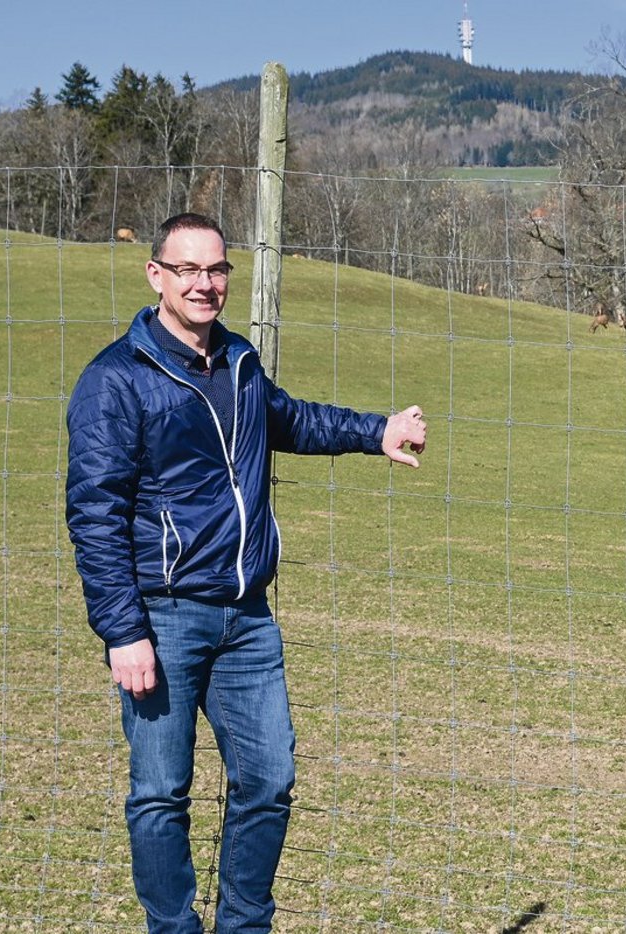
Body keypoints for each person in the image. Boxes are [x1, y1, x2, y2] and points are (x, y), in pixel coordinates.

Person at [65, 212, 428, 933]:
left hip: (247, 618)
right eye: (189, 270)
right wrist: (122, 630)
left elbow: (287, 420)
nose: (206, 284)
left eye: (218, 269)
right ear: (156, 275)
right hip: (162, 617)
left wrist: (373, 431)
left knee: (268, 780)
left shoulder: (238, 361)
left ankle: (243, 925)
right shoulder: (117, 380)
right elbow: (94, 513)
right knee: (162, 792)